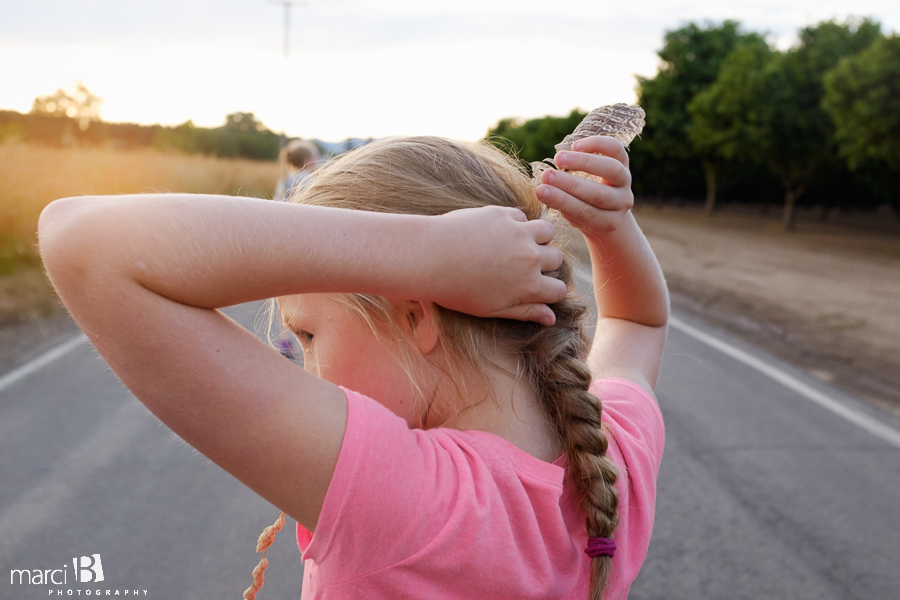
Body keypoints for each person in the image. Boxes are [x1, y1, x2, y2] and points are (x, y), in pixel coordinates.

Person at [38, 134, 668, 600]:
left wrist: (423, 253)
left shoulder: (419, 507)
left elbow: (81, 242)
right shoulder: (615, 457)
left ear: (416, 316)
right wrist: (613, 228)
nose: (305, 367)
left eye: (307, 334)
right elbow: (639, 324)